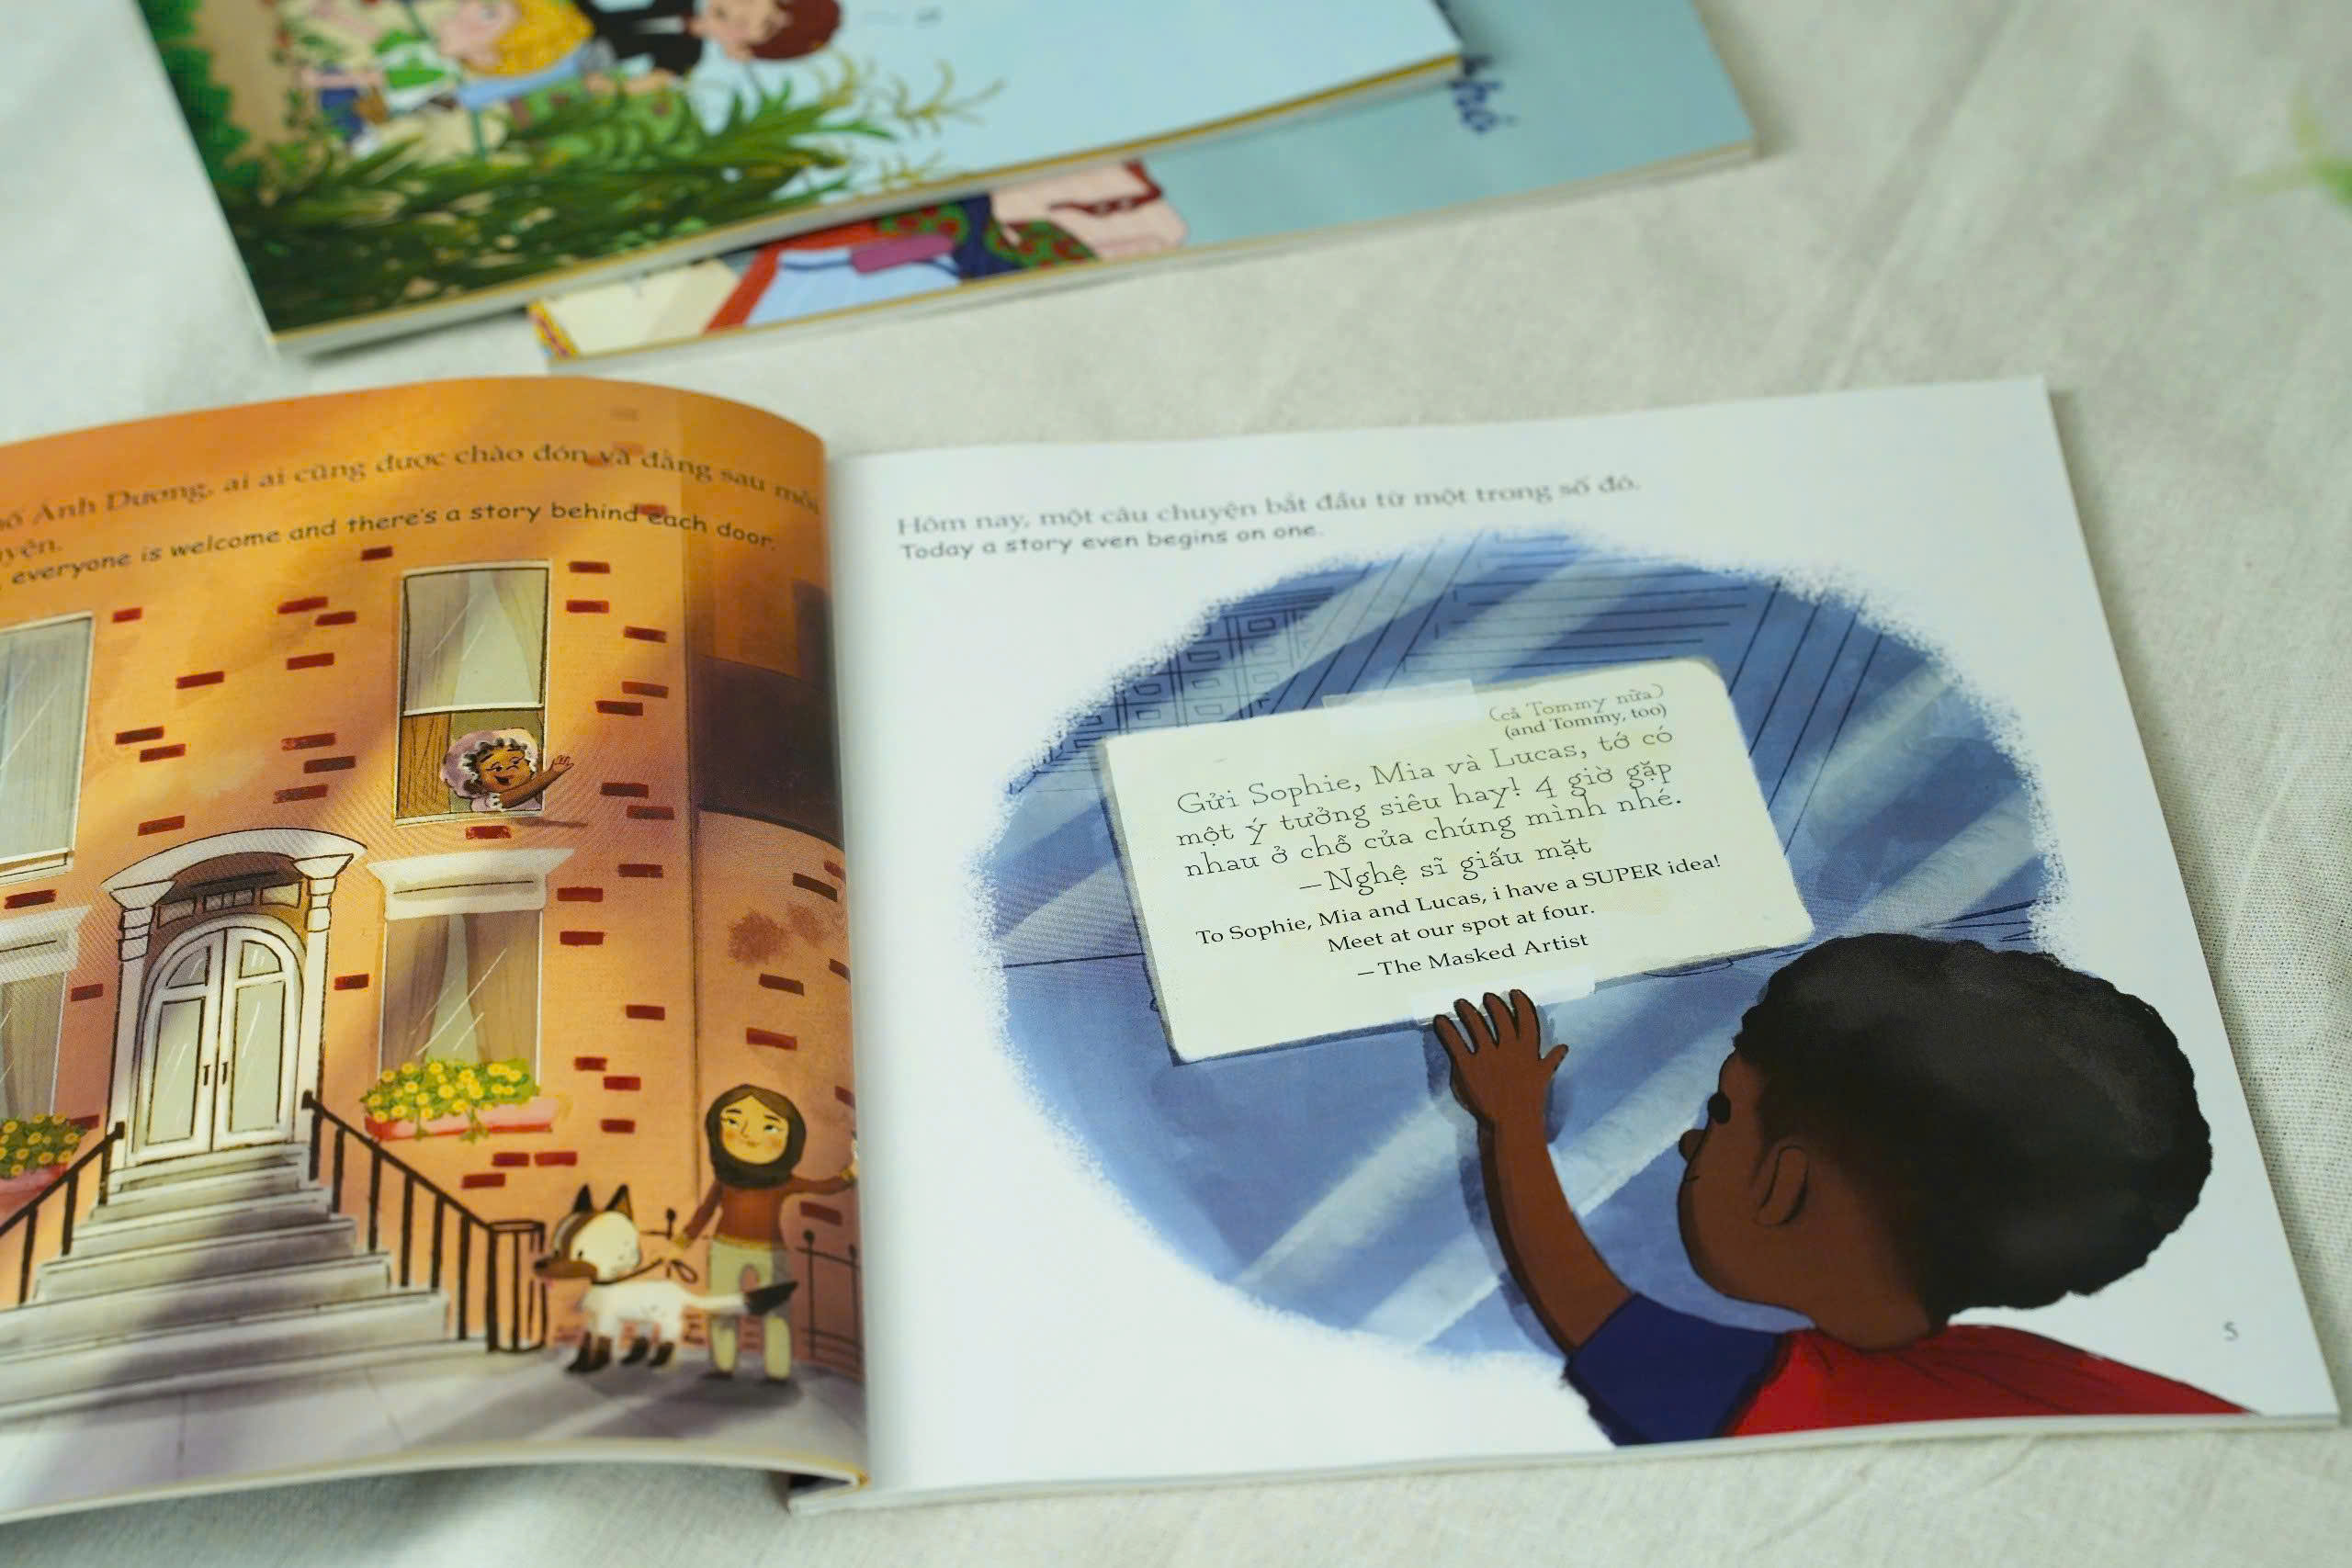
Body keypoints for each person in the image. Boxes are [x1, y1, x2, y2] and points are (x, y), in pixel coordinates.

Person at [1435, 935, 2242, 1444]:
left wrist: (1511, 1119)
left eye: (1723, 1114)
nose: (1689, 1140)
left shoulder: (1795, 1408)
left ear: (1784, 1183)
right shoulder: (2046, 1376)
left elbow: (1584, 1305)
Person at [676, 1084, 854, 1382]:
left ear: (790, 1138)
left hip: (770, 1252)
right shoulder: (725, 1180)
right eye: (733, 1121)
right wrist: (681, 1241)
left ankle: (777, 1370)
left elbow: (825, 1187)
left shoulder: (784, 1181)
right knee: (723, 1307)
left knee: (776, 1310)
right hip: (725, 1248)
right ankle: (723, 1365)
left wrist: (853, 1171)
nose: (750, 1135)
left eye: (770, 1127)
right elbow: (705, 1211)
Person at [441, 728, 572, 812]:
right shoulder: (482, 803)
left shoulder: (535, 785)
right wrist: (551, 774)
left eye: (515, 761)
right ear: (477, 784)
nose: (510, 768)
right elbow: (509, 800)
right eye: (497, 768)